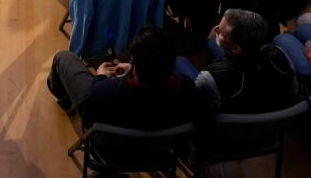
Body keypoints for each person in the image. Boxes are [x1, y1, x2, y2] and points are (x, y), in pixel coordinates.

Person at [47, 25, 198, 130]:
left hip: (109, 150)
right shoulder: (187, 89)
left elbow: (88, 119)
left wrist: (99, 78)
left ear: (133, 60)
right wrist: (134, 70)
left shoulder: (104, 91)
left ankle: (64, 100)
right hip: (157, 152)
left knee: (63, 57)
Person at [175, 8, 297, 114]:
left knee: (180, 61)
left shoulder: (208, 78)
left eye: (220, 32)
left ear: (236, 48)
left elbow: (202, 109)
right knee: (212, 43)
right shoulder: (280, 54)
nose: (216, 29)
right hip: (273, 122)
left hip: (230, 132)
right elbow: (293, 90)